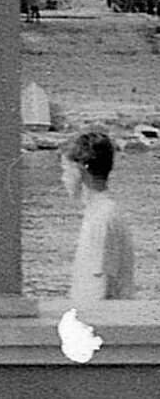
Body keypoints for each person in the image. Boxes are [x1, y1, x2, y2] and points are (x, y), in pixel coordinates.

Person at [63, 130, 138, 303]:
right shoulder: (105, 213)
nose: (63, 179)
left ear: (81, 169)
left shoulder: (101, 219)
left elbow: (98, 285)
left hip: (101, 322)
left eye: (66, 170)